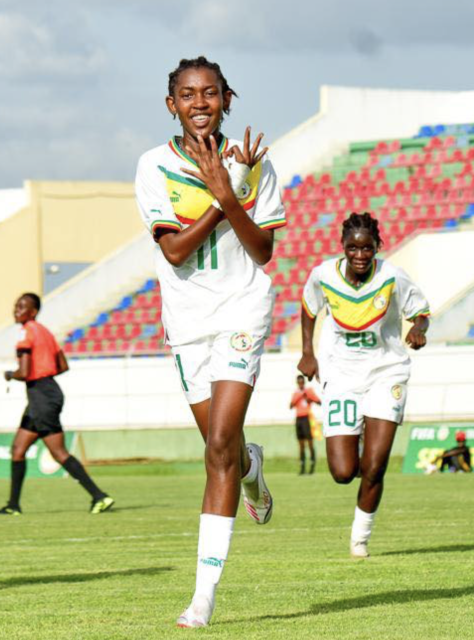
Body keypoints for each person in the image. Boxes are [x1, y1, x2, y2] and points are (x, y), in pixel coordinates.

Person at [134, 56, 286, 628]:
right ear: (171, 104)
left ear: (227, 99)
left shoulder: (255, 165)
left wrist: (234, 188)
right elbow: (174, 251)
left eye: (212, 93)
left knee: (217, 443)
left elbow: (264, 252)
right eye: (188, 94)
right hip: (188, 319)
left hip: (243, 306)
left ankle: (203, 596)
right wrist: (225, 197)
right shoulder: (153, 166)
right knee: (224, 449)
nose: (201, 103)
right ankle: (251, 467)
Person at [298, 212, 430, 558]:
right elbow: (309, 309)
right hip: (340, 376)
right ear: (343, 247)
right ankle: (356, 444)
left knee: (375, 465)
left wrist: (418, 329)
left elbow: (421, 311)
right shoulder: (323, 275)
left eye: (367, 248)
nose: (359, 255)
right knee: (343, 472)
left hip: (386, 373)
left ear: (378, 247)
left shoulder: (393, 277)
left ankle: (360, 538)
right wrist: (307, 353)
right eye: (353, 247)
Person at [0, 293, 114, 516]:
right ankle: (13, 505)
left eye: (22, 307)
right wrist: (44, 371)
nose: (16, 310)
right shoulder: (44, 332)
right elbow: (63, 365)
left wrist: (11, 374)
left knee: (59, 453)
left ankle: (99, 496)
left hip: (42, 396)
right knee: (18, 449)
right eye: (16, 306)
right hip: (45, 393)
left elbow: (25, 372)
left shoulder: (27, 332)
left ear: (33, 311)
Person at [290, 374, 321, 474]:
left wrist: (310, 399)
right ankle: (302, 467)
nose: (301, 384)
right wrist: (300, 396)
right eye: (299, 383)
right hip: (298, 419)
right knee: (301, 445)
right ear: (297, 383)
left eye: (302, 382)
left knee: (310, 443)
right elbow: (291, 405)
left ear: (304, 382)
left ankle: (312, 466)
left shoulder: (309, 391)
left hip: (306, 418)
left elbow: (319, 401)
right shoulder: (296, 393)